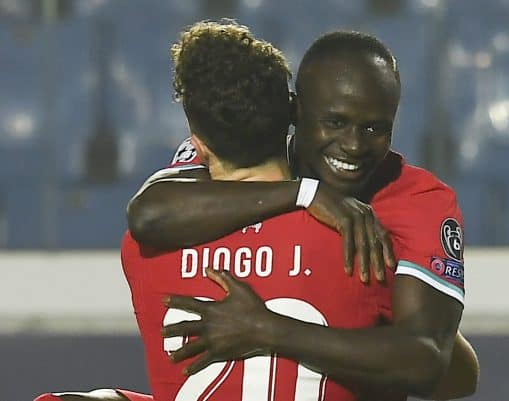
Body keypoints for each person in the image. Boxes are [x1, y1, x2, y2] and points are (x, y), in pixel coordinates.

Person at [35, 24, 477, 401]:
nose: (355, 146)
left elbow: (432, 364)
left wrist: (266, 329)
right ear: (294, 110)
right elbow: (147, 212)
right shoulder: (358, 252)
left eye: (375, 128)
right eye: (336, 122)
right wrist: (304, 195)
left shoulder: (417, 201)